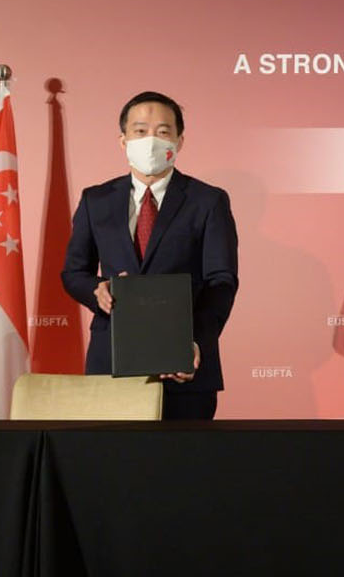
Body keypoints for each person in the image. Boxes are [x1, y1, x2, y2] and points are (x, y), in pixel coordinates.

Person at [61, 91, 239, 420]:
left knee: (181, 467)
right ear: (123, 140)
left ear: (179, 140)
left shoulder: (208, 201)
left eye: (163, 131)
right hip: (111, 363)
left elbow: (221, 281)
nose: (150, 141)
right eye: (140, 131)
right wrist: (96, 290)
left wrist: (195, 344)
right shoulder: (95, 200)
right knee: (110, 467)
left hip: (185, 368)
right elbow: (73, 273)